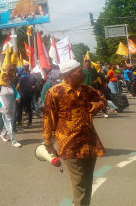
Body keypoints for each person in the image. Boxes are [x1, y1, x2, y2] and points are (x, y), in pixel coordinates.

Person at [43, 59, 107, 206]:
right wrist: (48, 142)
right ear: (68, 74)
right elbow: (48, 118)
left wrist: (98, 105)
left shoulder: (87, 90)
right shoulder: (54, 92)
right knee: (79, 184)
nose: (83, 73)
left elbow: (102, 98)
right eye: (79, 71)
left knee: (87, 182)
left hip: (89, 143)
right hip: (69, 145)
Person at [0, 72, 21, 148]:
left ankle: (2, 134)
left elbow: (16, 93)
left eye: (6, 76)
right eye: (3, 77)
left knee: (8, 123)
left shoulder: (11, 85)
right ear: (1, 78)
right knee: (9, 122)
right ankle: (13, 141)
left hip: (12, 107)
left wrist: (18, 97)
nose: (5, 78)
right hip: (4, 108)